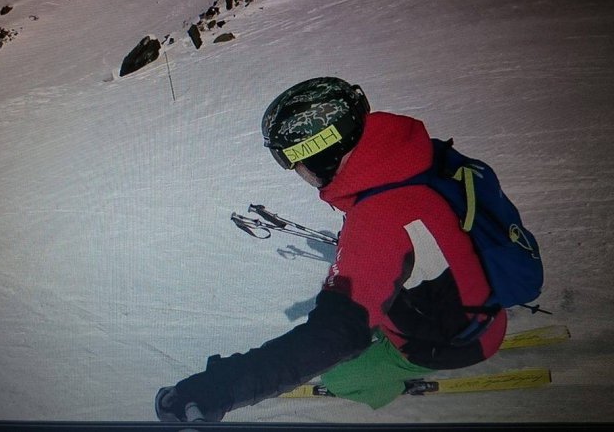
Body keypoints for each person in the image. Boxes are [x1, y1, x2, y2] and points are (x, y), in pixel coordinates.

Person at [155, 77, 507, 422]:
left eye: (291, 161)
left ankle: (390, 385)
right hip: (470, 295)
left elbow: (333, 337)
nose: (297, 172)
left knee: (340, 378)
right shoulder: (407, 156)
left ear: (319, 156)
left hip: (459, 341)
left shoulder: (377, 220)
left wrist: (219, 388)